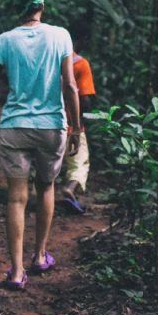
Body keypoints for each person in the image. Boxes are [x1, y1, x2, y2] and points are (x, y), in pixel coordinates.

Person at [0, 0, 83, 289]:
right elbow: (71, 86)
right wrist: (77, 127)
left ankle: (17, 272)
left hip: (15, 126)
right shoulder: (60, 35)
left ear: (17, 8)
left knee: (17, 198)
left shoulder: (4, 41)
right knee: (46, 187)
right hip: (51, 127)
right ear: (42, 6)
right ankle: (39, 255)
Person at [60, 50, 95, 214]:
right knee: (79, 163)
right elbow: (85, 99)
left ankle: (37, 198)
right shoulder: (80, 63)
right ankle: (71, 187)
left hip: (48, 123)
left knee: (45, 164)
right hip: (71, 125)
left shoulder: (49, 61)